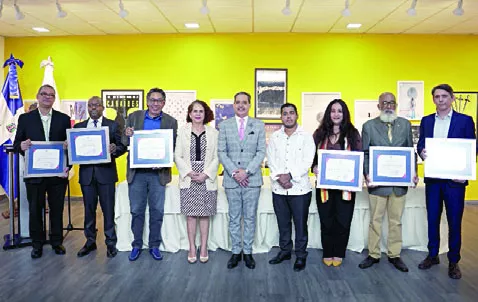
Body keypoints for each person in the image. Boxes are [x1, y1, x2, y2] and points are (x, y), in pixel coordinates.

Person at [417, 84, 476, 279]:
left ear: (452, 98)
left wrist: (465, 173)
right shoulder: (426, 121)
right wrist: (422, 152)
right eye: (437, 97)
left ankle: (453, 261)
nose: (440, 100)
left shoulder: (465, 121)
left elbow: (472, 149)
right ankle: (433, 255)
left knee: (454, 221)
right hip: (433, 180)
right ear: (433, 99)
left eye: (444, 96)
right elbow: (420, 146)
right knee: (432, 219)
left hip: (454, 182)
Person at [359, 92, 417, 272]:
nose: (388, 106)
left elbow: (410, 151)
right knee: (375, 220)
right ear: (378, 106)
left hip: (399, 184)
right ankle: (374, 254)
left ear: (396, 105)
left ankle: (394, 254)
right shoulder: (369, 126)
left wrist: (413, 172)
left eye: (392, 103)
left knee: (396, 221)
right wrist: (368, 174)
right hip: (377, 185)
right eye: (384, 103)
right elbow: (365, 153)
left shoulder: (405, 125)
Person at [13, 85, 71, 259]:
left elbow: (71, 147)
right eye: (44, 94)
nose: (48, 97)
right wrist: (21, 146)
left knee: (56, 209)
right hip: (34, 174)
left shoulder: (64, 119)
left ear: (54, 99)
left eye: (51, 95)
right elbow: (17, 143)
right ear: (38, 96)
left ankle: (56, 242)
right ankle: (37, 244)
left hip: (57, 175)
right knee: (35, 209)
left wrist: (68, 167)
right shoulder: (25, 118)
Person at [122, 87, 178, 261]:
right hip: (137, 174)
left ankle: (154, 245)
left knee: (157, 211)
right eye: (152, 100)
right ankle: (136, 245)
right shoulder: (134, 117)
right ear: (147, 101)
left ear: (163, 103)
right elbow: (124, 143)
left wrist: (162, 159)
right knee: (136, 210)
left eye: (159, 100)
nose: (155, 103)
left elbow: (173, 146)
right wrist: (127, 134)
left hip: (158, 174)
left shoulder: (171, 121)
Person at [218, 91, 265, 269]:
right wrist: (234, 172)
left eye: (244, 102)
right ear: (233, 104)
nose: (241, 105)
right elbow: (221, 152)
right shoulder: (224, 125)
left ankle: (248, 252)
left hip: (252, 180)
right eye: (237, 102)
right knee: (235, 217)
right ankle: (236, 252)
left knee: (250, 217)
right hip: (231, 180)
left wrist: (246, 171)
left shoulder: (259, 125)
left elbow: (261, 152)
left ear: (250, 104)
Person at [312, 99, 362, 267]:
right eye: (333, 110)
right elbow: (310, 158)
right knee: (326, 219)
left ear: (344, 113)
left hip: (346, 187)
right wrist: (314, 167)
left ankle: (339, 252)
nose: (336, 114)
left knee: (343, 220)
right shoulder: (319, 134)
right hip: (324, 187)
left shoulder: (353, 134)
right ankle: (328, 251)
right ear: (329, 113)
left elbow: (359, 158)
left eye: (339, 111)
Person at [74, 96, 126, 258]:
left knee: (108, 210)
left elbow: (122, 146)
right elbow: (74, 151)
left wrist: (114, 149)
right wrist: (69, 147)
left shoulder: (112, 125)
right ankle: (90, 242)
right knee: (88, 210)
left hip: (106, 175)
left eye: (96, 105)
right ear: (87, 108)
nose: (93, 108)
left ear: (102, 107)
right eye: (90, 105)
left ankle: (111, 243)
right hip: (87, 176)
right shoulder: (79, 127)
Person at [266, 103, 315, 271]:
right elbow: (270, 160)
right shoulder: (274, 137)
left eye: (291, 113)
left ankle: (301, 255)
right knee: (283, 223)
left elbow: (308, 161)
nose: (288, 116)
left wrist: (290, 176)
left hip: (300, 189)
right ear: (281, 117)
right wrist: (279, 178)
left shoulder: (306, 137)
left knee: (300, 224)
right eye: (285, 113)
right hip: (279, 189)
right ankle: (285, 251)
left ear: (297, 115)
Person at [175, 100, 219, 264]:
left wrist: (206, 174)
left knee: (205, 215)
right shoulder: (182, 131)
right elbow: (177, 156)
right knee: (191, 215)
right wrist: (189, 172)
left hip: (207, 178)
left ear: (205, 113)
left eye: (201, 111)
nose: (198, 114)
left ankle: (204, 247)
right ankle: (192, 247)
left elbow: (217, 157)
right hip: (189, 177)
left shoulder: (214, 133)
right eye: (195, 111)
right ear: (190, 113)